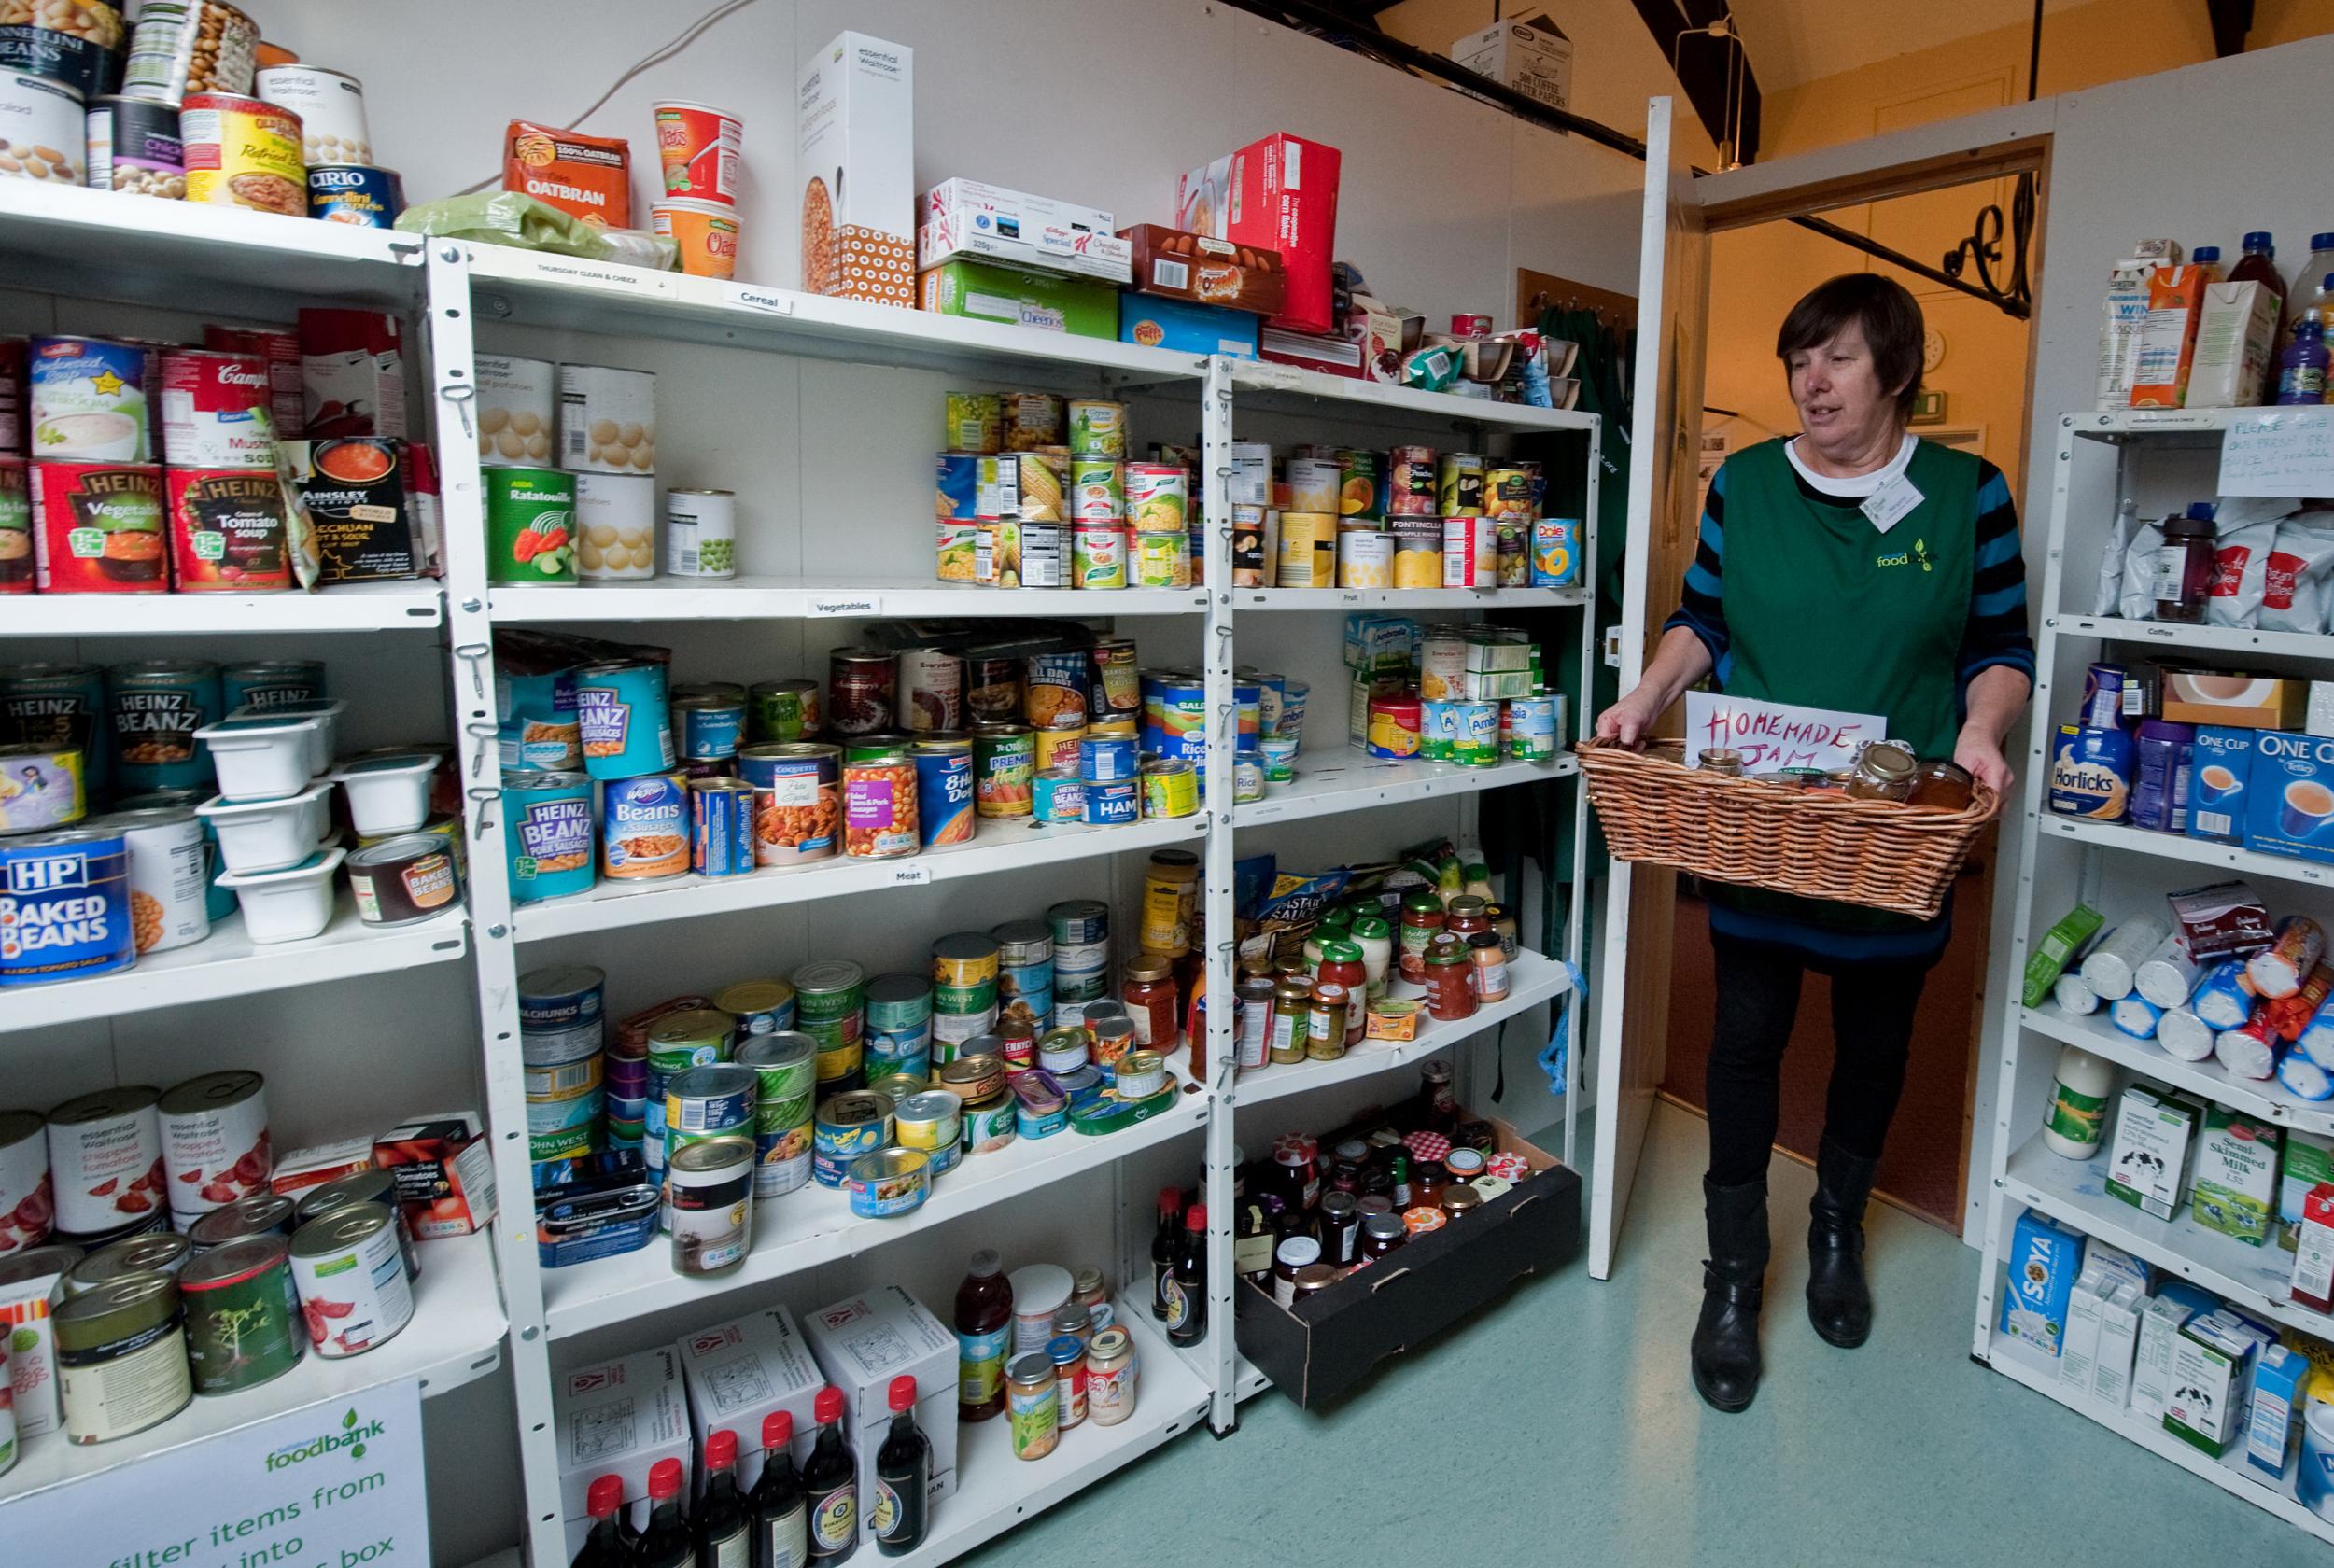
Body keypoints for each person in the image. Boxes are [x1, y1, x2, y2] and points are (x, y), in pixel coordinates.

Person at [1596, 273, 2034, 1414]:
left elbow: (1998, 642)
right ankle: (1732, 1276)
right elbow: (1703, 618)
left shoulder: (1967, 493)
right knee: (1743, 1034)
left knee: (1875, 1039)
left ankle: (1837, 1231)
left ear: (1896, 373)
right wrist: (1644, 700)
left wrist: (1983, 734)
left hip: (1891, 833)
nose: (1811, 379)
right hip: (1765, 816)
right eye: (1800, 358)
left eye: (1838, 358)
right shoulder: (1743, 485)